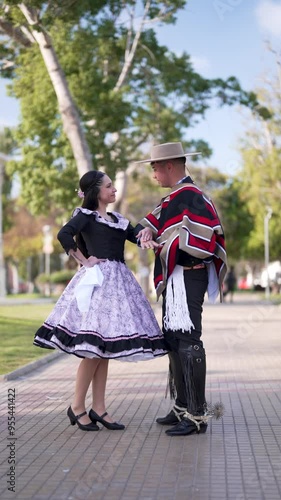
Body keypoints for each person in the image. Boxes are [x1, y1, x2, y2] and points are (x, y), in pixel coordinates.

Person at [34, 170, 167, 432]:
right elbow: (64, 235)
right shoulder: (84, 216)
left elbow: (138, 236)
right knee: (93, 349)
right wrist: (84, 261)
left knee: (103, 350)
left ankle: (99, 407)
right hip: (97, 283)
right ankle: (76, 407)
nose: (114, 190)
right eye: (109, 186)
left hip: (119, 284)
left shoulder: (118, 219)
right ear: (96, 191)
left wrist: (148, 237)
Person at [135, 142, 228, 436]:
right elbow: (151, 224)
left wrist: (168, 243)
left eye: (155, 168)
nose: (154, 174)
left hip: (189, 276)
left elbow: (203, 241)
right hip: (176, 278)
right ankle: (182, 406)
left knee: (188, 340)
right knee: (173, 340)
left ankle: (197, 415)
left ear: (170, 166)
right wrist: (149, 230)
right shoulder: (173, 198)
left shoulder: (191, 196)